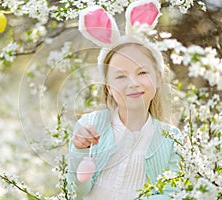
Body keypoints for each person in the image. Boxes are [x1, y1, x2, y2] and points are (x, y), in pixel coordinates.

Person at [68, 1, 181, 199]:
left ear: (158, 76)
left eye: (142, 72)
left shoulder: (170, 139)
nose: (133, 83)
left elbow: (171, 193)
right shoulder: (90, 125)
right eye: (120, 76)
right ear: (109, 86)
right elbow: (75, 193)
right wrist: (79, 152)